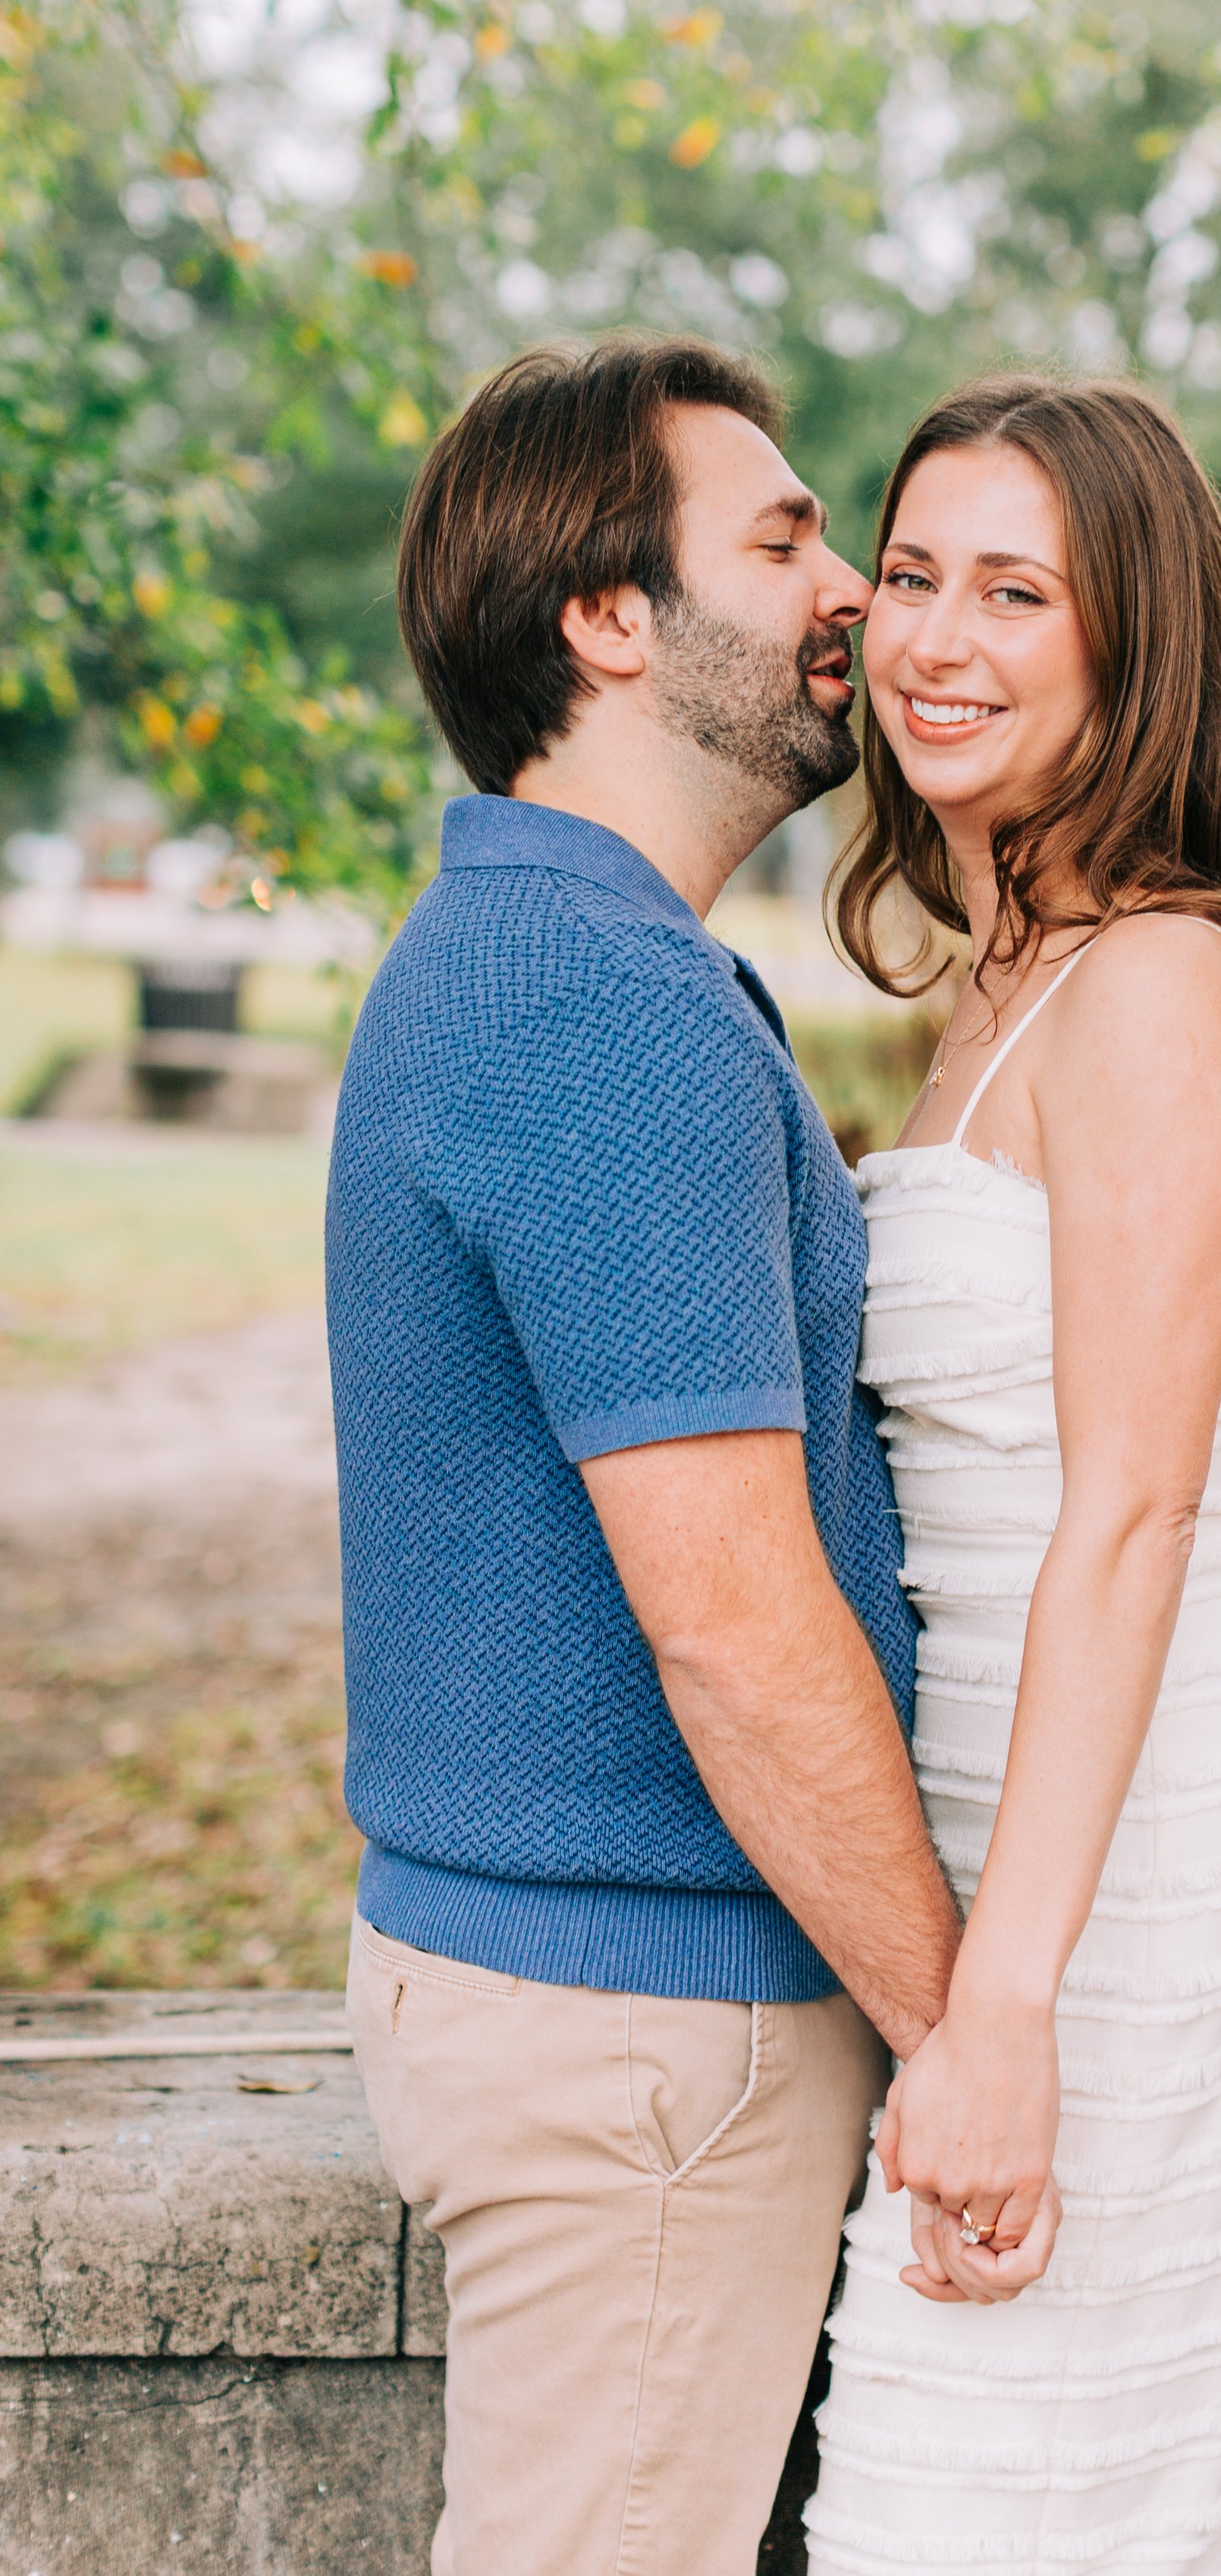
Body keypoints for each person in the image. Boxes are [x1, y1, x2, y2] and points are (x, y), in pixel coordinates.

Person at [327, 335, 964, 2576]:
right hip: (642, 2056)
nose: (853, 592)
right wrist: (951, 2032)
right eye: (782, 537)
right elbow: (731, 1620)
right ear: (607, 614)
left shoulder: (562, 953)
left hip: (604, 2018)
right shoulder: (591, 1002)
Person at [805, 375, 1221, 2575]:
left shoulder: (1149, 985)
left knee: (998, 2513)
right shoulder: (1006, 980)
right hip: (1005, 1837)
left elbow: (1125, 1516)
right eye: (916, 574)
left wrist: (1009, 2006)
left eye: (1015, 591)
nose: (938, 640)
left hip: (1127, 1881)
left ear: (1130, 641)